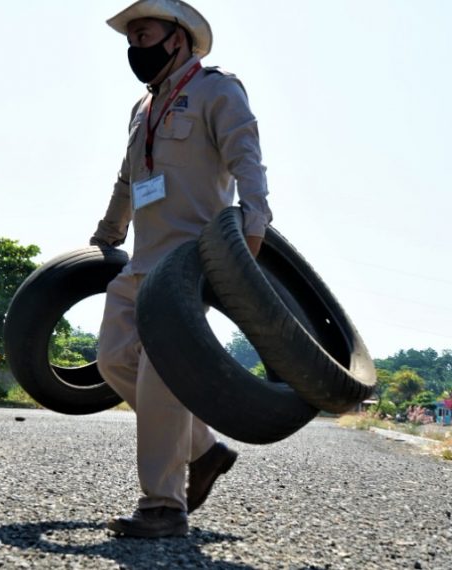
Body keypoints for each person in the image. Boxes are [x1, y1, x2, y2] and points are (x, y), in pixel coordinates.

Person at [91, 0, 273, 538]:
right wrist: (107, 232)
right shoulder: (141, 109)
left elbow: (246, 155)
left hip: (190, 259)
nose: (135, 47)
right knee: (112, 360)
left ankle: (163, 507)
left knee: (162, 373)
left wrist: (255, 219)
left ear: (178, 38)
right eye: (132, 37)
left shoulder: (218, 90)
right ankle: (206, 451)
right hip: (141, 260)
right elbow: (127, 179)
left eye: (144, 34)